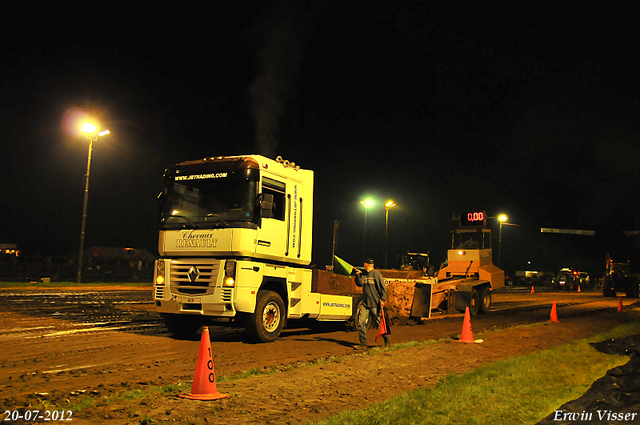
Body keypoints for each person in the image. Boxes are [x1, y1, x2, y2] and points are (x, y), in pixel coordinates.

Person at [354, 258, 390, 349]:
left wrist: (383, 299)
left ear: (366, 264)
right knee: (361, 322)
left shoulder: (376, 274)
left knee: (378, 323)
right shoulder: (364, 275)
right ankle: (363, 342)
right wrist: (358, 276)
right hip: (365, 303)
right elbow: (359, 284)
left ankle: (386, 339)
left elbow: (382, 287)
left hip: (375, 303)